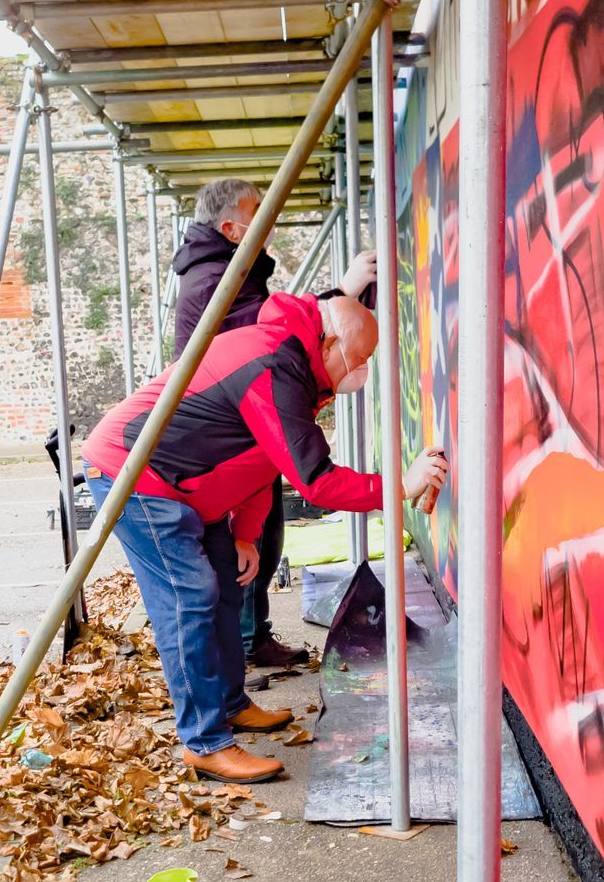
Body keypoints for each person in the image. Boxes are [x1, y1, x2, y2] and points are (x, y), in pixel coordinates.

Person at [82, 293, 446, 784]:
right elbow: (314, 479)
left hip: (186, 485)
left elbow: (262, 456)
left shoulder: (293, 363)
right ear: (332, 341)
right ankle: (204, 743)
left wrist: (246, 536)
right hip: (138, 477)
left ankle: (229, 704)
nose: (360, 375)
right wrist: (400, 486)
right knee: (190, 597)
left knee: (228, 588)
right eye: (358, 360)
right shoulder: (274, 364)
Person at [171, 178, 378, 670]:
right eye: (258, 212)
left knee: (257, 538)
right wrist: (340, 296)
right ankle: (243, 649)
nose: (269, 221)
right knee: (239, 554)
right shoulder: (214, 281)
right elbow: (270, 343)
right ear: (229, 227)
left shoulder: (228, 271)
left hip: (240, 423)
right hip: (229, 428)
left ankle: (250, 642)